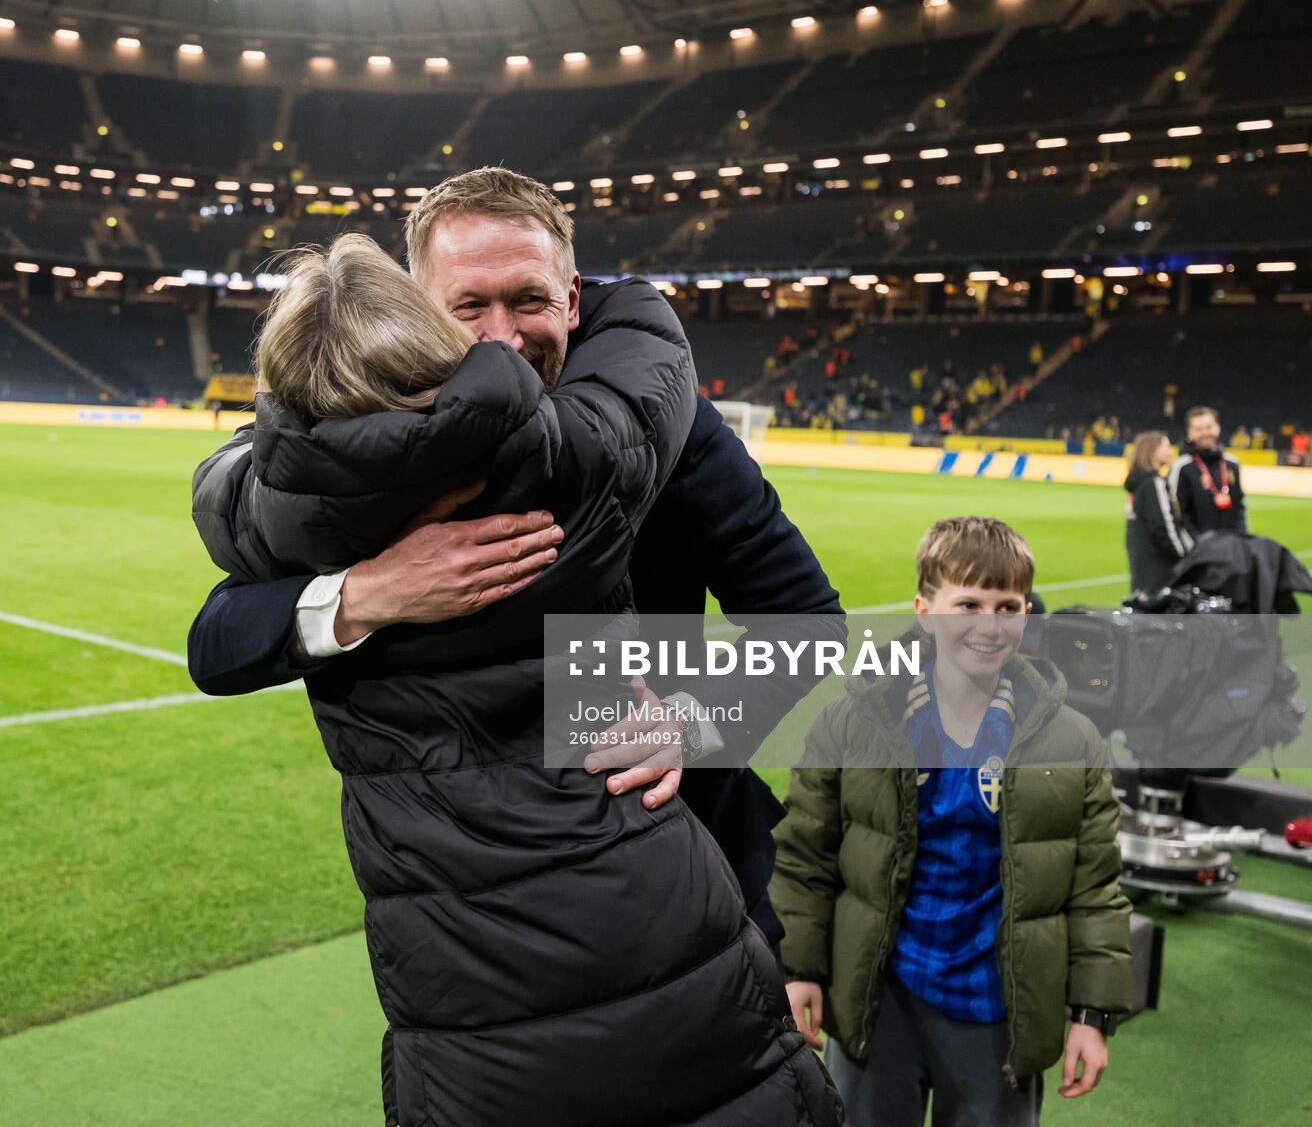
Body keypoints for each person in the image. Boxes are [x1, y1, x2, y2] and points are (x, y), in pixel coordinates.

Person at [193, 233, 838, 1126]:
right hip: (501, 944)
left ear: (574, 298)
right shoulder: (379, 463)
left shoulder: (665, 428)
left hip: (701, 870)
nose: (504, 334)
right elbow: (218, 640)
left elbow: (806, 624)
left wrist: (687, 715)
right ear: (420, 309)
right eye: (470, 306)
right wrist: (368, 593)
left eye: (528, 299)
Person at [771, 517, 1133, 1127]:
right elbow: (806, 854)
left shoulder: (1072, 740)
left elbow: (1095, 888)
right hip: (878, 1002)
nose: (989, 625)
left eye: (1008, 606)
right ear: (924, 609)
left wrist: (1091, 1015)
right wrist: (798, 968)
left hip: (1000, 1013)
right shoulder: (852, 722)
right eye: (967, 603)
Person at [1124, 431, 1189, 593]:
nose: (1171, 451)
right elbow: (1163, 527)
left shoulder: (1137, 483)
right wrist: (1185, 557)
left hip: (1141, 565)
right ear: (1152, 452)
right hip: (1160, 570)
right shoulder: (1154, 483)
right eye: (1166, 447)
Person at [1169, 405, 1248, 538]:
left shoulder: (1231, 464)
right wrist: (1199, 547)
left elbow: (1240, 508)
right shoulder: (1182, 467)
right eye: (1199, 429)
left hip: (1232, 549)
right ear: (1190, 433)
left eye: (1209, 427)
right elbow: (1178, 515)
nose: (1205, 433)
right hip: (1199, 552)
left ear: (1218, 428)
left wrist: (1241, 542)